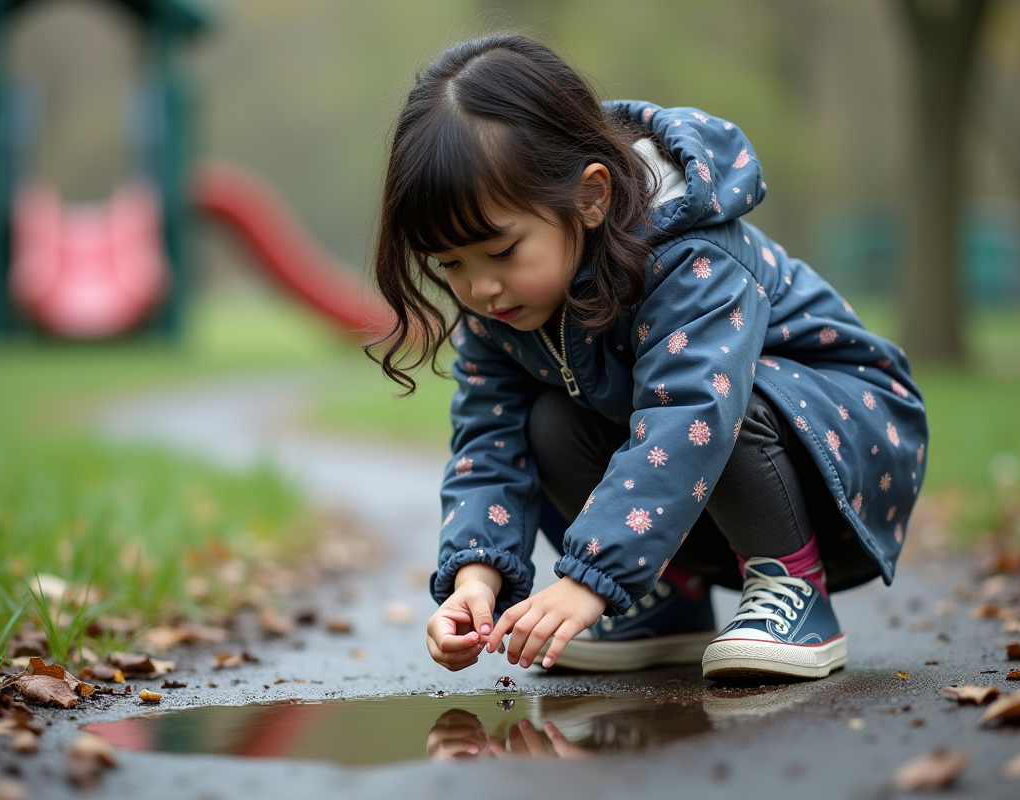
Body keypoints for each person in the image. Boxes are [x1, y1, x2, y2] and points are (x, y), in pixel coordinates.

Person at [367, 34, 928, 681]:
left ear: (590, 196)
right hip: (700, 492)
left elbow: (690, 411)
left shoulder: (690, 257)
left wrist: (591, 577)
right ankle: (664, 600)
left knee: (717, 395)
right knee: (543, 419)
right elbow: (488, 442)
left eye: (500, 252)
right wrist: (475, 578)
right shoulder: (500, 312)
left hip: (845, 453)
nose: (479, 288)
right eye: (450, 265)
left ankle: (793, 586)